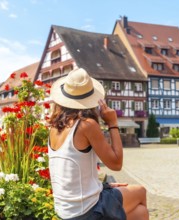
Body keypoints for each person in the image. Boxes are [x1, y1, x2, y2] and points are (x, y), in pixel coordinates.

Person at [47, 68, 149, 220]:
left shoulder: (54, 127)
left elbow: (74, 172)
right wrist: (113, 123)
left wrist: (102, 187)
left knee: (141, 213)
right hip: (87, 211)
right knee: (140, 191)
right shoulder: (86, 125)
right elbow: (116, 164)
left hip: (66, 211)